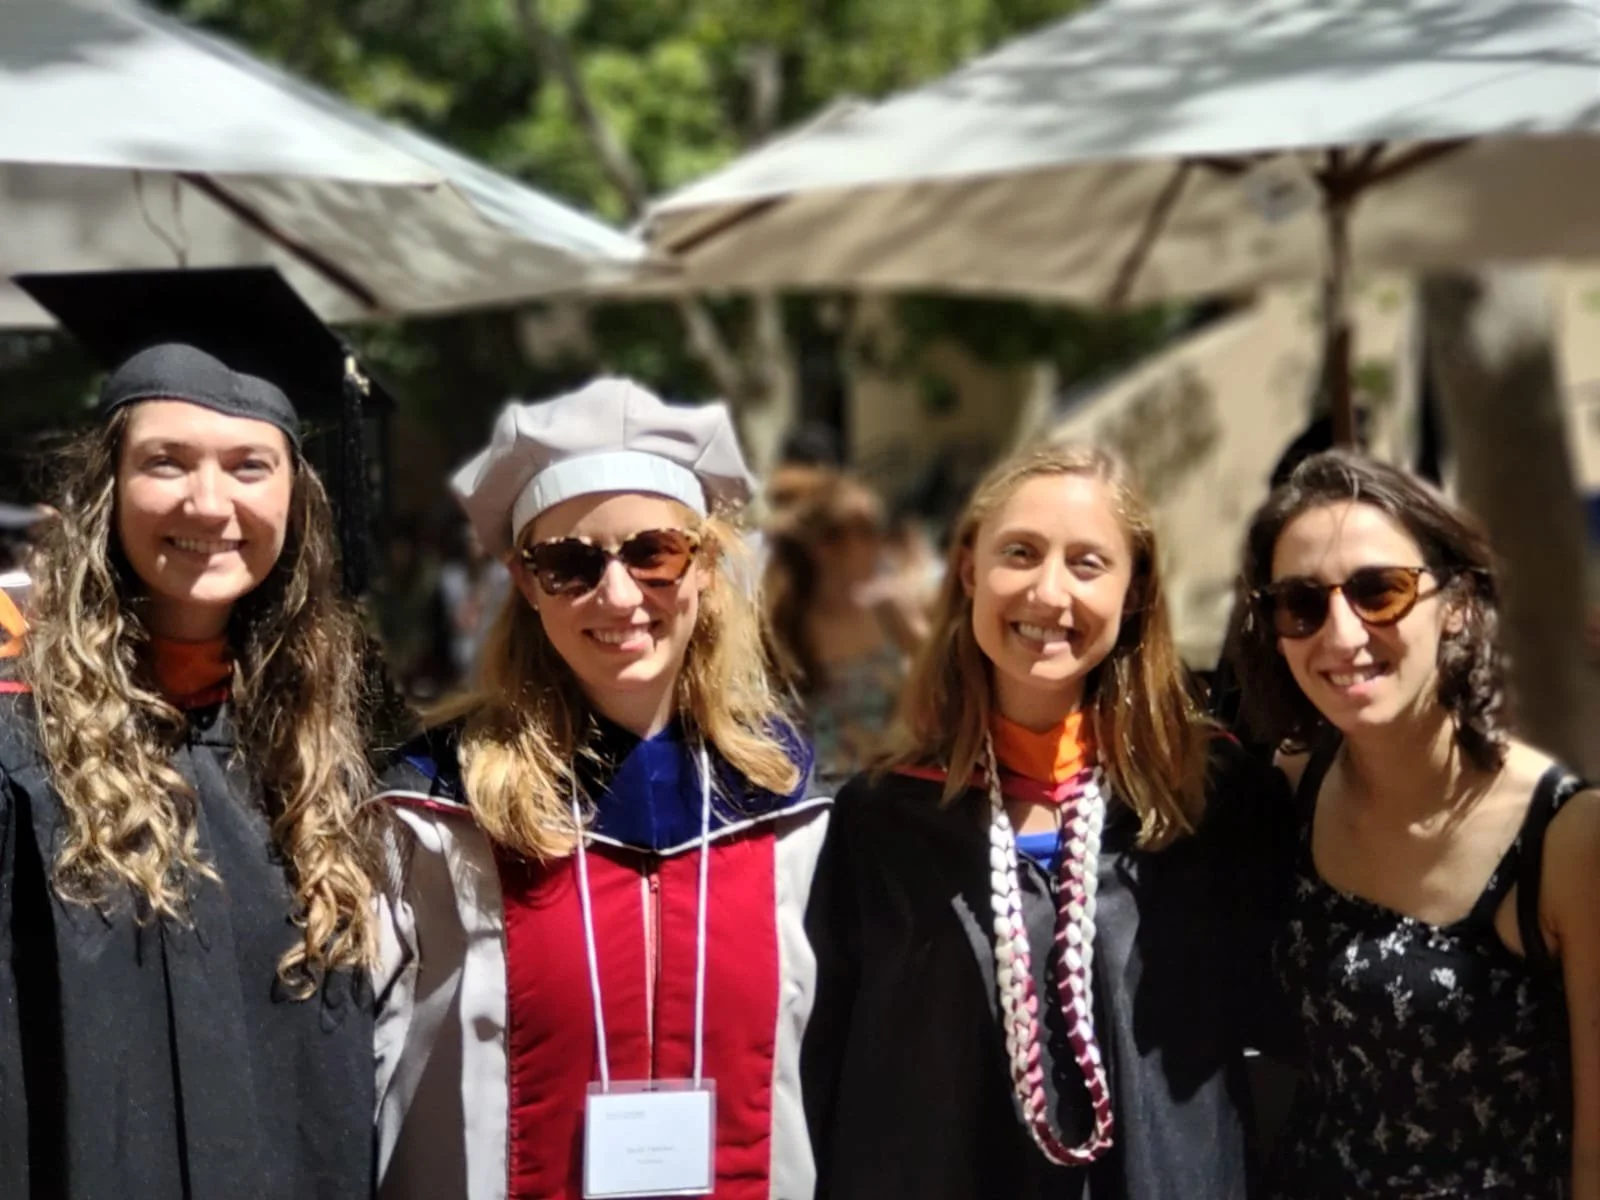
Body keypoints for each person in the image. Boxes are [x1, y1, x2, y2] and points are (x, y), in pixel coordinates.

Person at [373, 378, 831, 1200]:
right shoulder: (433, 817)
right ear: (524, 580)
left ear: (704, 562)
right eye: (571, 563)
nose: (618, 596)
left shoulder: (797, 814)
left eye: (653, 552)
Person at [802, 442, 1295, 1200]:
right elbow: (839, 1071)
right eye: (1020, 553)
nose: (1048, 592)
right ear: (969, 570)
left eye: (1088, 563)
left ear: (1135, 591)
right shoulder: (882, 821)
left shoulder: (1212, 803)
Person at [0, 268, 384, 1199]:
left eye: (250, 465)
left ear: (298, 498)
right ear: (109, 489)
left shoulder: (330, 760)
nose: (208, 503)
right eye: (166, 460)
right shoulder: (19, 759)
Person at [1228, 450, 1600, 1200]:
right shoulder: (1291, 785)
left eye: (1380, 591)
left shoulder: (1567, 838)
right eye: (1302, 604)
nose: (1341, 634)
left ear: (1457, 602)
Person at [762, 469, 917, 786]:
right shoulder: (784, 624)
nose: (879, 542)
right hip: (821, 803)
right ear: (824, 546)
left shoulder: (888, 611)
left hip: (889, 791)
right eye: (866, 530)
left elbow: (939, 681)